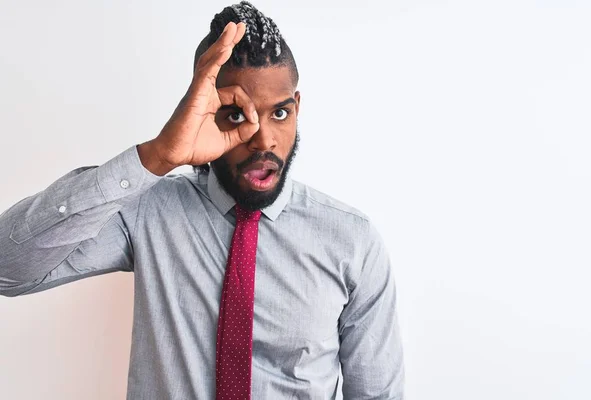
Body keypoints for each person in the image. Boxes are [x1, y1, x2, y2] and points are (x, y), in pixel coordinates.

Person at [0, 2, 404, 399]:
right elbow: (7, 269)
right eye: (235, 114)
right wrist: (157, 156)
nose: (264, 140)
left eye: (279, 114)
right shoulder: (146, 211)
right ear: (203, 111)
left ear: (297, 108)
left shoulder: (353, 241)